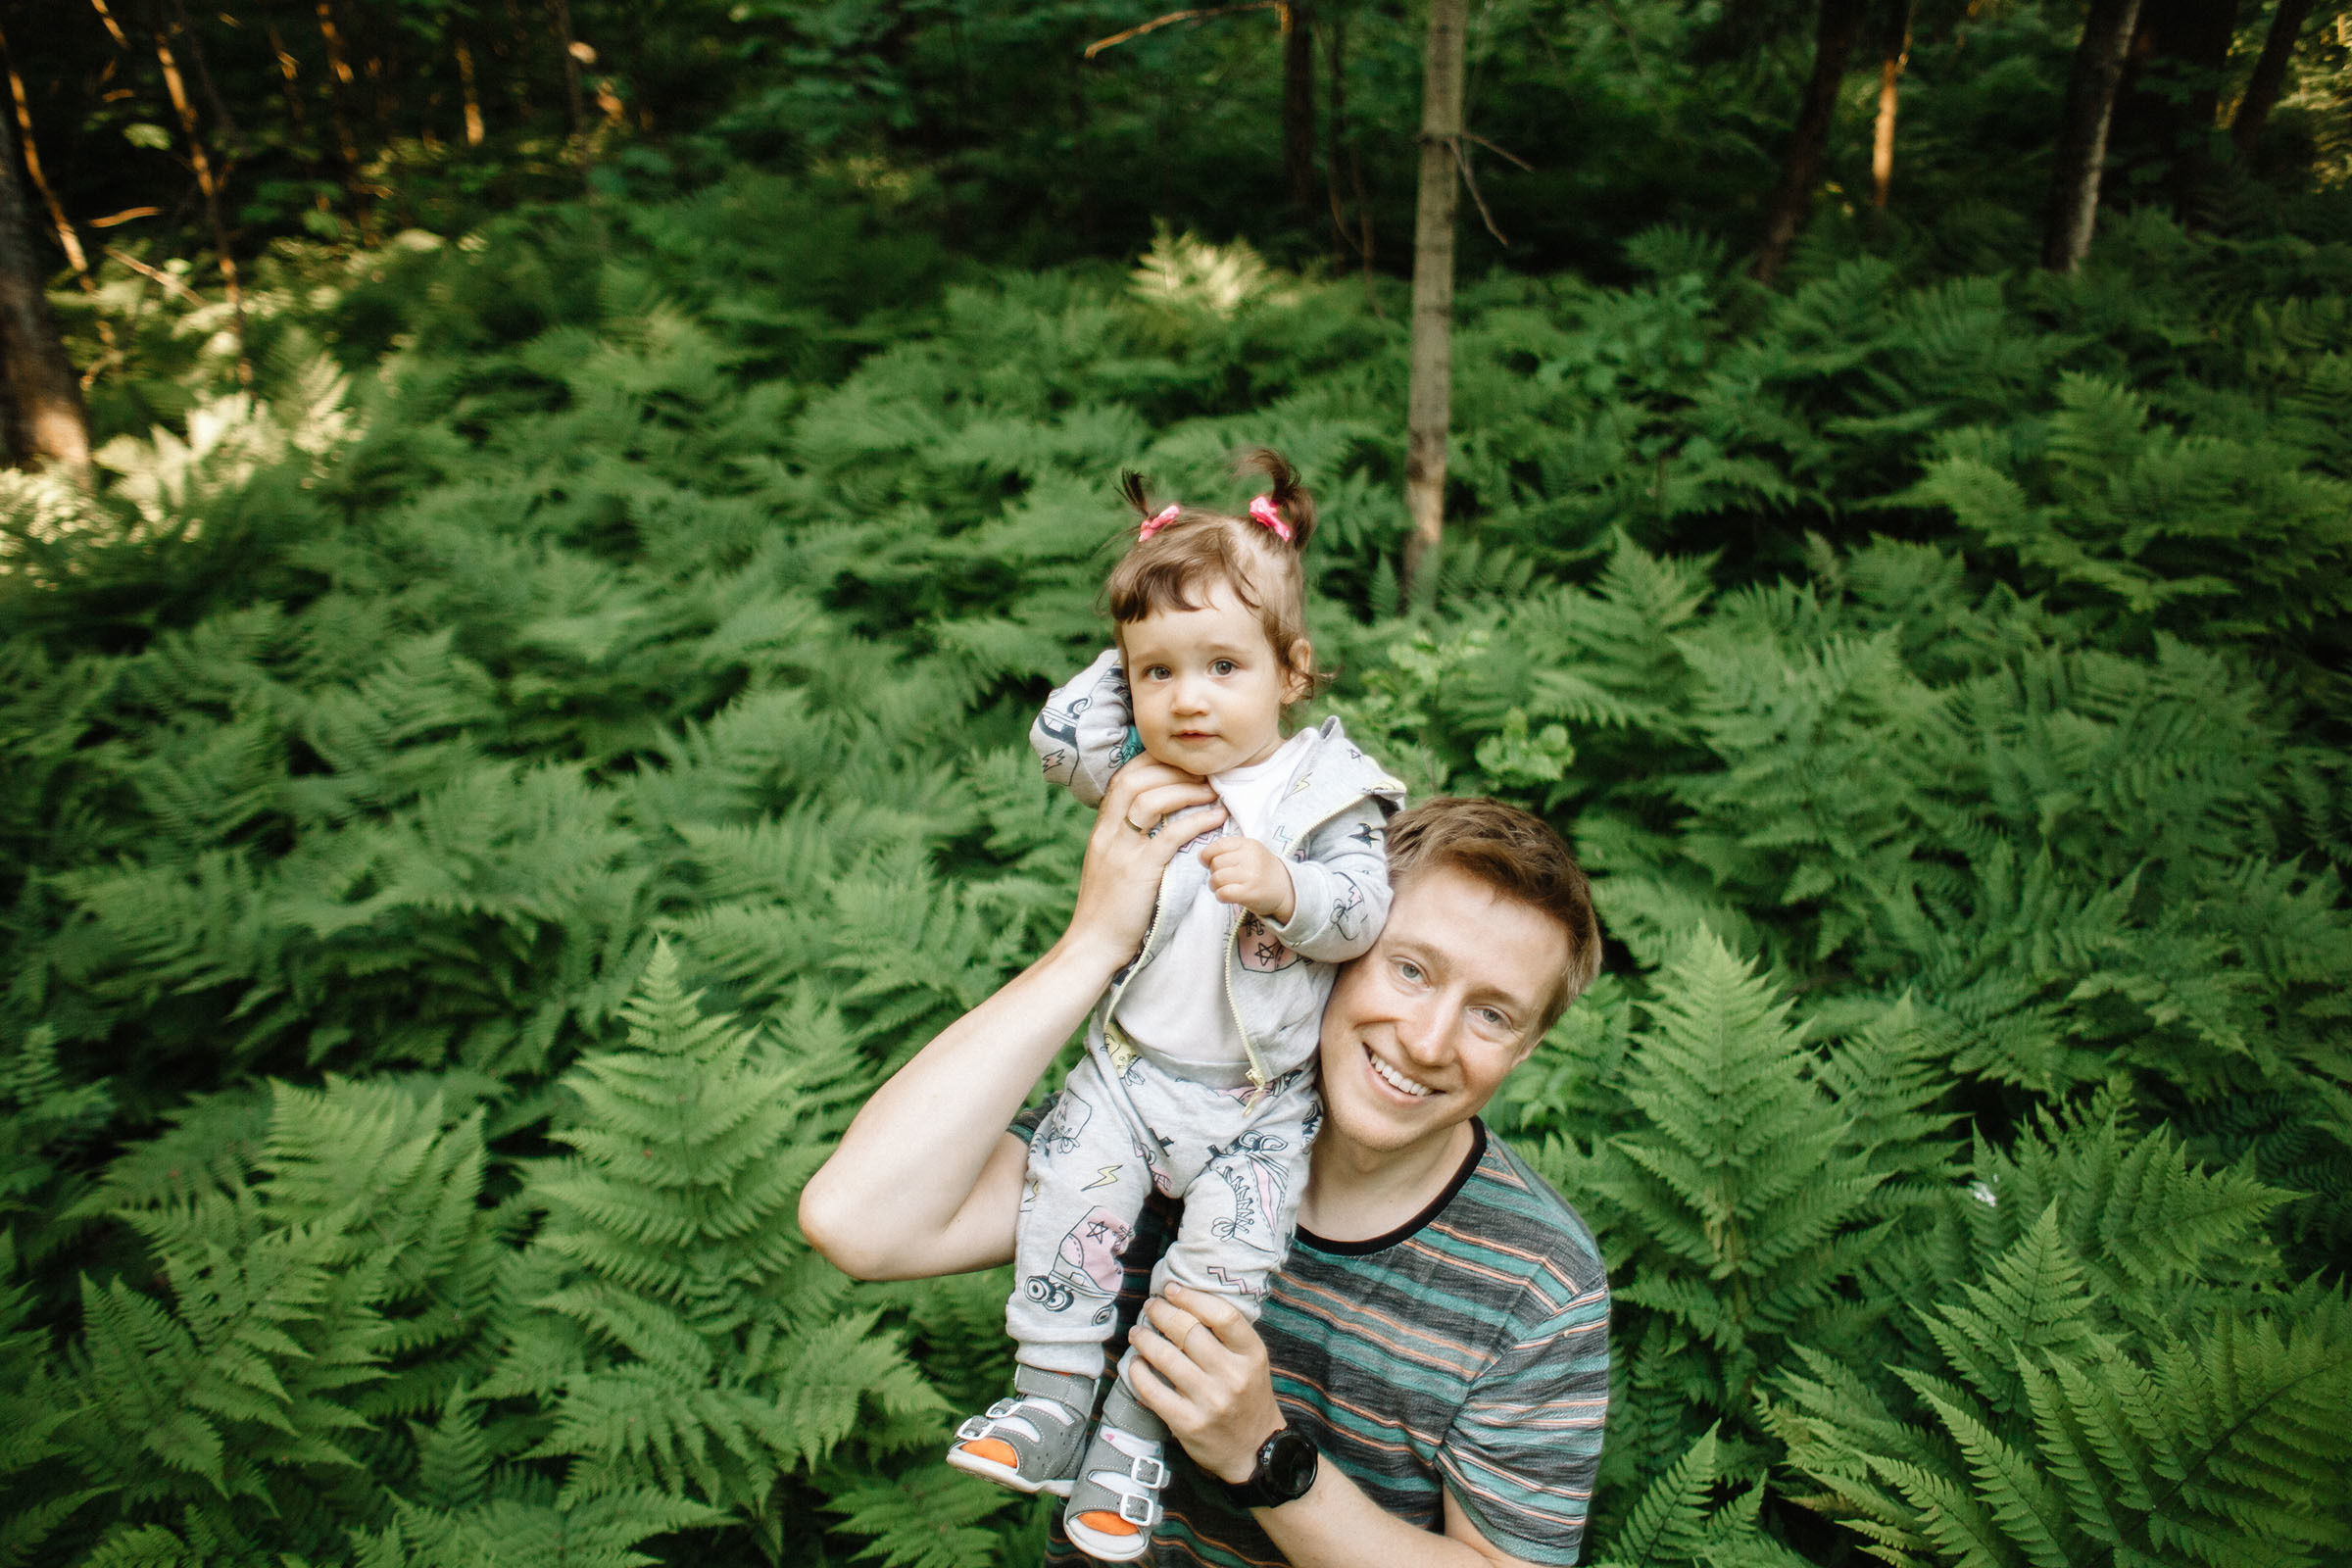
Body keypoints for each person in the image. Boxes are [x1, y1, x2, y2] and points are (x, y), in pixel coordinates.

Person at [801, 784, 1611, 1568]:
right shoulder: (1166, 1128)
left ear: (1527, 1046)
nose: (1430, 1041)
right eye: (1410, 970)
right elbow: (859, 1221)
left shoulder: (1539, 1281)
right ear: (1334, 942)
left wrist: (1262, 1454)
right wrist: (1093, 945)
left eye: (1492, 1014)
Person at [957, 451, 1404, 1559]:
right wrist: (1148, 602)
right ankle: (1052, 1400)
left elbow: (1361, 909)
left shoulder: (1328, 790)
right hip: (1129, 1072)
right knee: (1071, 1211)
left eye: (1221, 664)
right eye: (1156, 672)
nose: (1188, 697)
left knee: (1216, 1278)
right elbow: (1056, 733)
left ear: (1291, 672)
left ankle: (1132, 1443)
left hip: (1255, 1107)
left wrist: (1288, 888)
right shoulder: (1142, 770)